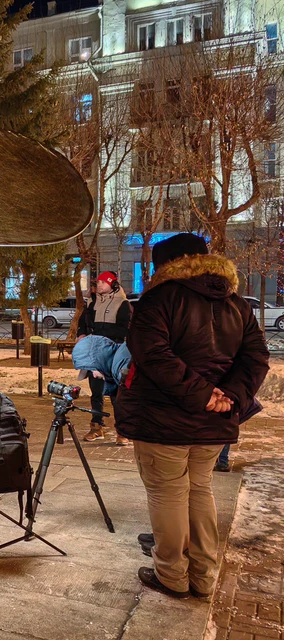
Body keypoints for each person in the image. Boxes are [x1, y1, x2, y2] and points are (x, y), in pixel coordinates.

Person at [116, 233, 268, 600]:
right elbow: (256, 359)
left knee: (168, 493)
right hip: (215, 421)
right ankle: (204, 574)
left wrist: (204, 395)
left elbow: (153, 356)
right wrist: (228, 395)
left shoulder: (160, 298)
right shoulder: (236, 303)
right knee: (199, 489)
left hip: (164, 419)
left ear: (166, 265)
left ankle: (171, 574)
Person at [78, 270, 132, 445]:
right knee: (96, 391)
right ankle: (96, 427)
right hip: (95, 354)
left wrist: (102, 337)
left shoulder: (123, 304)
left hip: (113, 354)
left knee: (117, 394)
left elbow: (126, 329)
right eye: (98, 282)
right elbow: (83, 322)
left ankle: (122, 431)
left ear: (112, 284)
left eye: (103, 282)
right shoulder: (92, 302)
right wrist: (82, 334)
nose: (98, 285)